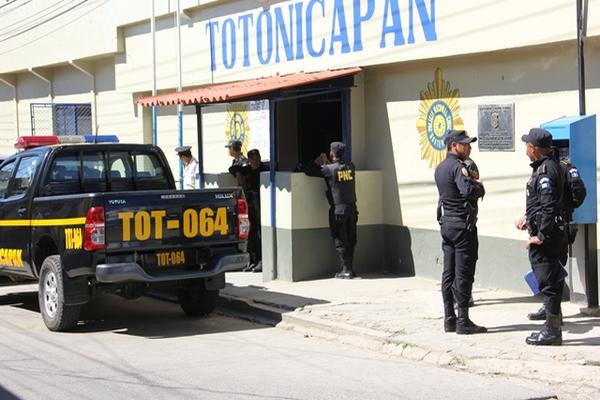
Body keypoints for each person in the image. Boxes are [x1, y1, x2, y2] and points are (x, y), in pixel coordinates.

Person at [516, 128, 567, 346]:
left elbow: (548, 206)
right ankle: (552, 328)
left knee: (548, 284)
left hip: (548, 236)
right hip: (557, 231)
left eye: (527, 145)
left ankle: (552, 332)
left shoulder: (544, 171)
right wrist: (528, 216)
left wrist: (541, 236)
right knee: (552, 281)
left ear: (534, 149)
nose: (526, 149)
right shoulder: (556, 166)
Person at [434, 130, 487, 335]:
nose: (469, 148)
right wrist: (479, 186)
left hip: (447, 225)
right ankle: (463, 320)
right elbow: (467, 191)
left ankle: (449, 318)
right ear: (454, 145)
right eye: (465, 144)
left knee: (448, 273)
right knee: (463, 272)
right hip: (462, 227)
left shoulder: (440, 167)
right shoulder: (458, 168)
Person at [304, 142, 358, 279]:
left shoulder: (328, 169)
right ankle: (350, 269)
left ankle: (346, 270)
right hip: (352, 208)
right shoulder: (351, 167)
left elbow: (308, 170)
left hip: (339, 210)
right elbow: (340, 171)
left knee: (340, 239)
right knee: (351, 238)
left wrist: (317, 161)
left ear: (332, 153)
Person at [238, 149, 269, 272]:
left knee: (259, 233)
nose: (256, 161)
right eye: (253, 159)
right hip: (250, 203)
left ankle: (261, 260)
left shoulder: (264, 169)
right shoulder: (247, 170)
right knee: (250, 233)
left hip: (260, 203)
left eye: (257, 158)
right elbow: (233, 169)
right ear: (249, 160)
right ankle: (252, 260)